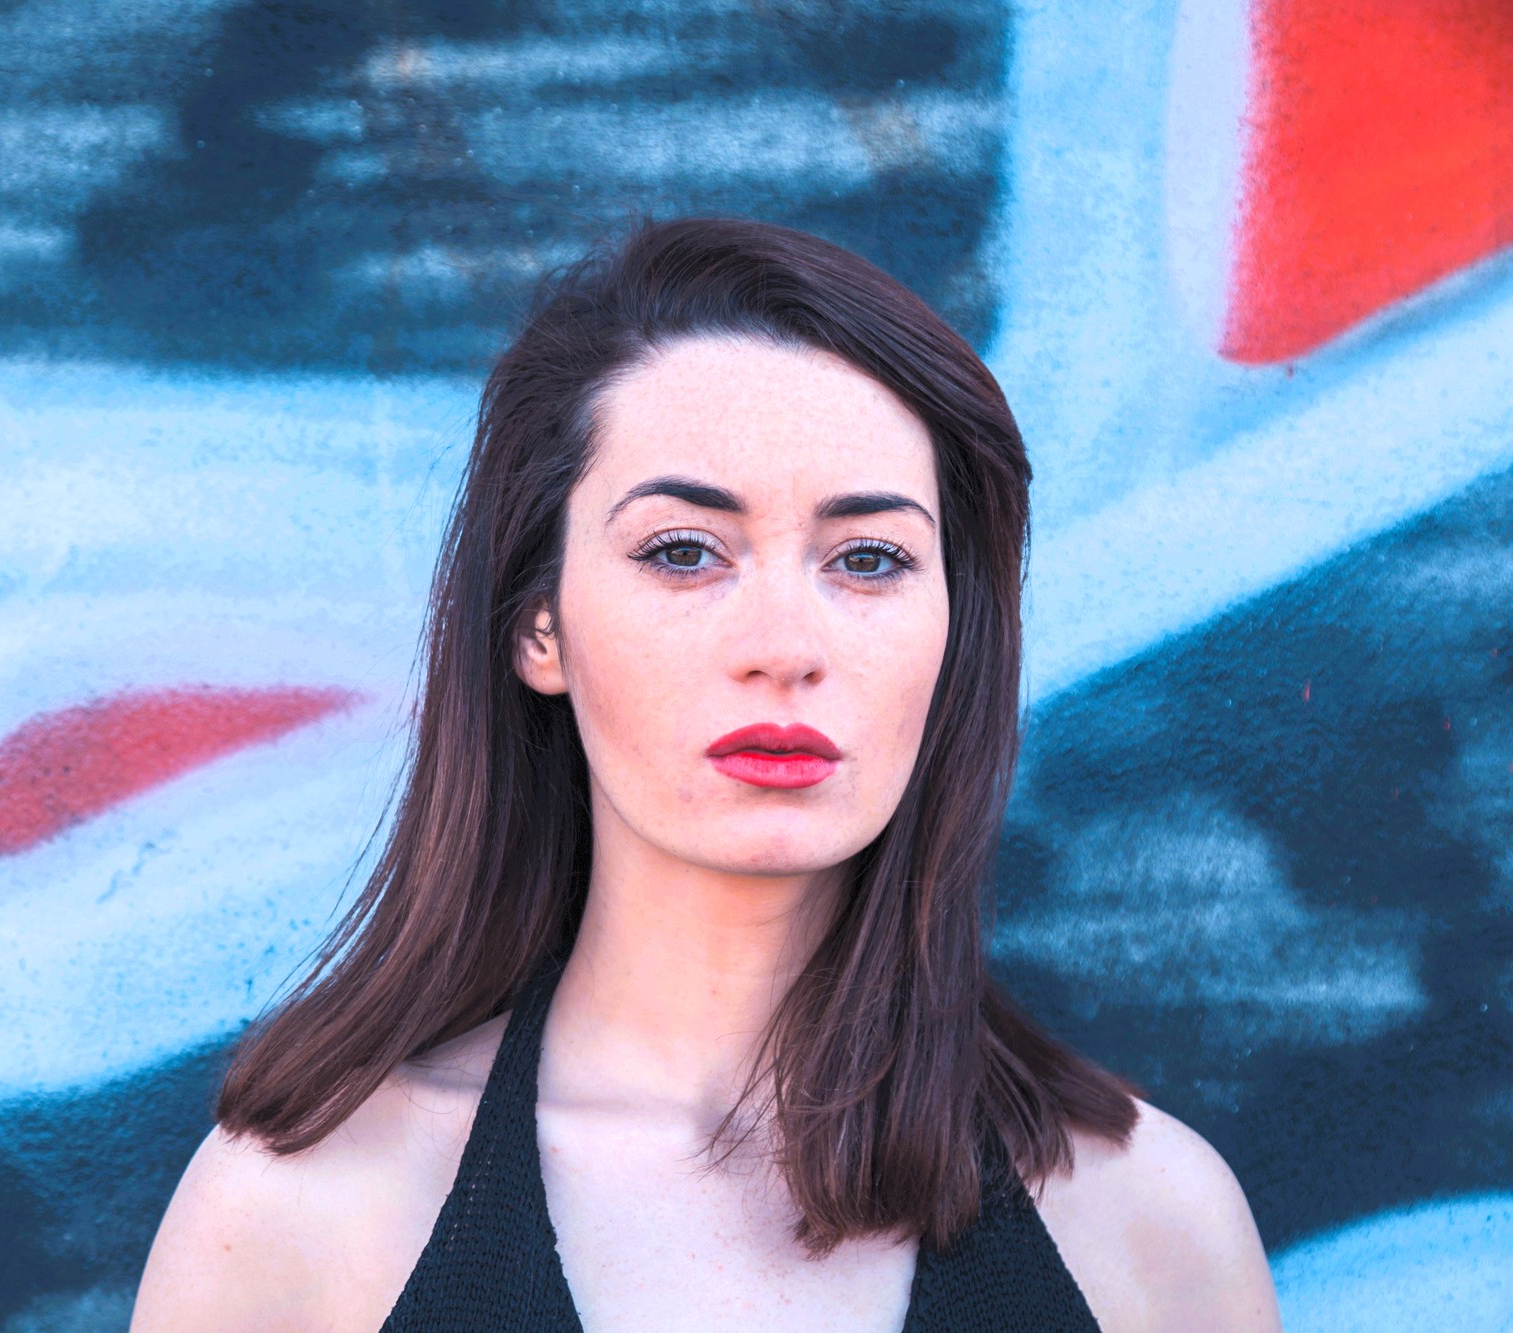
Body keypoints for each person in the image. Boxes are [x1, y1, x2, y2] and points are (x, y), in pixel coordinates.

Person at [130, 218, 1281, 1331]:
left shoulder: (1145, 1225)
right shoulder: (301, 1214)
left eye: (868, 558)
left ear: (953, 631)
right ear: (539, 625)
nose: (784, 643)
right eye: (683, 551)